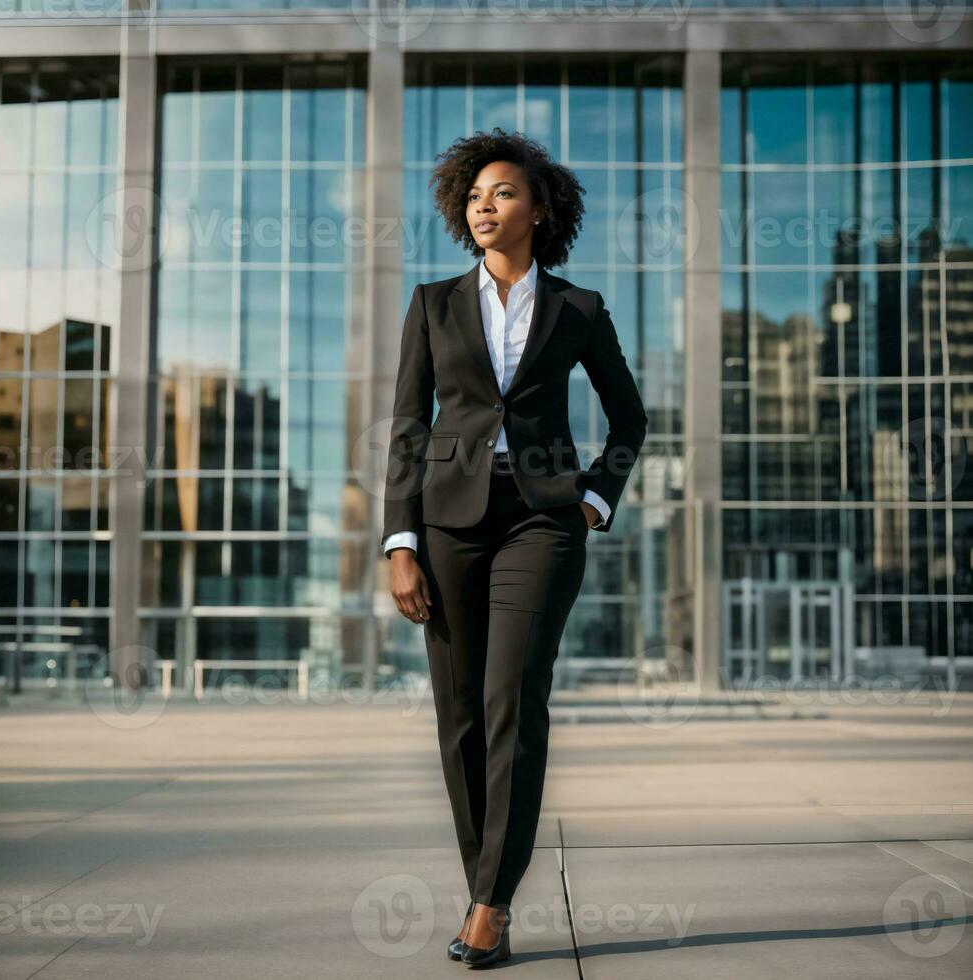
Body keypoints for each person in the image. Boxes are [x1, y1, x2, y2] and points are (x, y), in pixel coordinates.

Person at [381, 128, 648, 967]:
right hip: (449, 522)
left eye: (501, 193)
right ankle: (482, 886)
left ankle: (491, 904)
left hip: (542, 520)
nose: (484, 206)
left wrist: (596, 500)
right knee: (457, 715)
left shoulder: (579, 309)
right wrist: (399, 540)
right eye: (473, 197)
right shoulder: (432, 303)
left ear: (538, 209)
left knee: (511, 703)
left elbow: (629, 417)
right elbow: (408, 427)